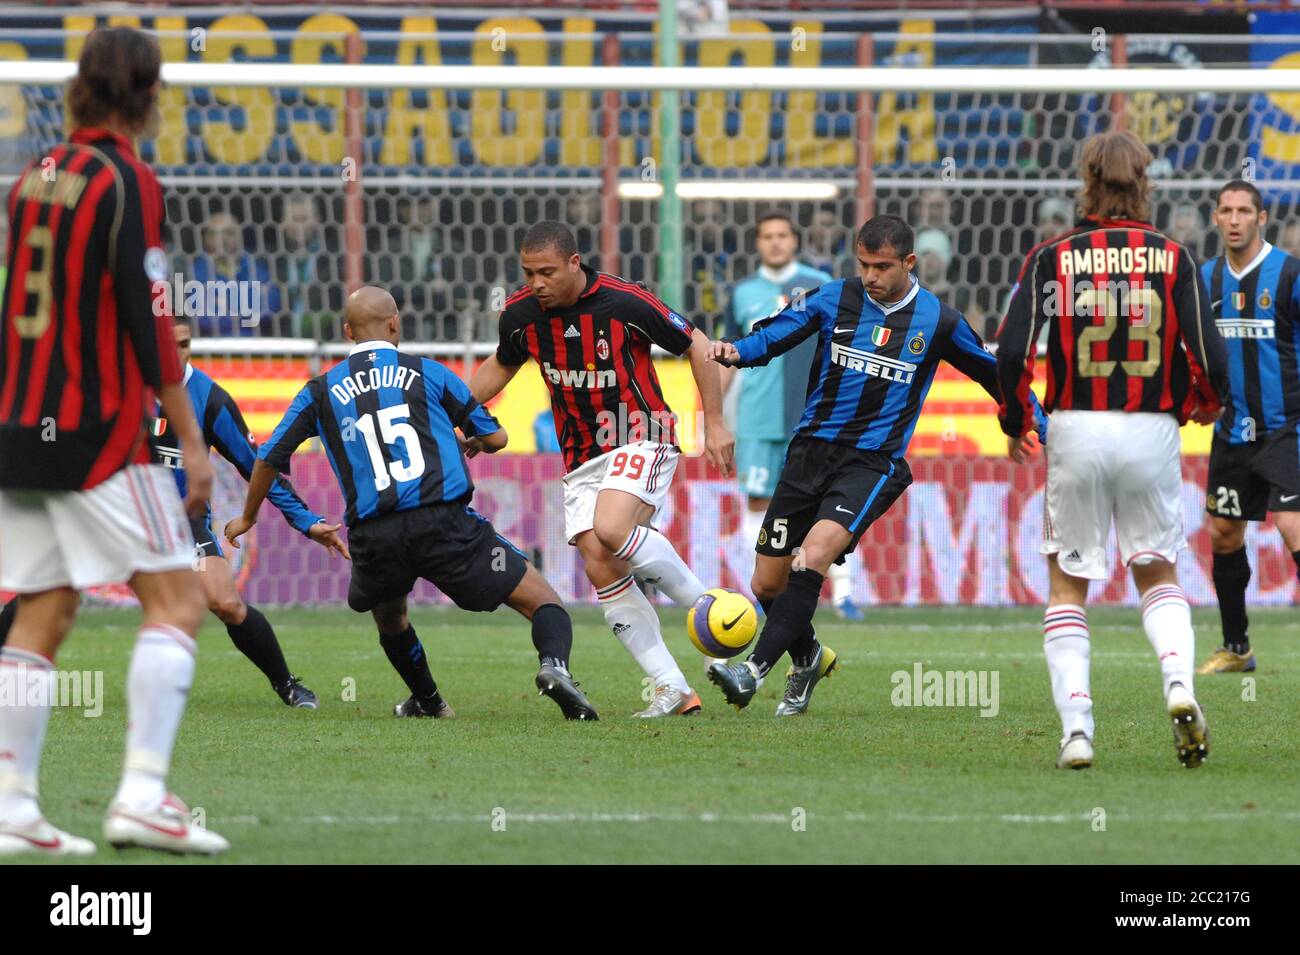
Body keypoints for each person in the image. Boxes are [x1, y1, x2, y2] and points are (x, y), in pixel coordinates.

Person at [0, 26, 227, 855]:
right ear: (146, 91)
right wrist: (192, 442)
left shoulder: (36, 177)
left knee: (45, 609)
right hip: (97, 432)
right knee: (179, 598)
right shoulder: (128, 179)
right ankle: (141, 795)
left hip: (22, 427)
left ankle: (14, 807)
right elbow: (152, 317)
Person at [706, 215, 1045, 716]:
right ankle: (808, 658)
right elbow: (776, 335)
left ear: (909, 263)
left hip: (871, 462)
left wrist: (1032, 421)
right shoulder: (830, 298)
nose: (870, 276)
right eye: (863, 264)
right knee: (766, 584)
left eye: (882, 266)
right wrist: (735, 352)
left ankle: (751, 670)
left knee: (813, 557)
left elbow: (994, 374)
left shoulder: (939, 320)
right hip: (807, 454)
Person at [226, 287, 598, 722]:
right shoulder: (430, 373)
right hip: (445, 526)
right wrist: (471, 438)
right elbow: (497, 438)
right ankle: (554, 666)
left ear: (347, 332)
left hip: (375, 537)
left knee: (390, 618)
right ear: (395, 323)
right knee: (542, 600)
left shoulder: (319, 391)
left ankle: (430, 701)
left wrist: (250, 516)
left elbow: (268, 458)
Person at [997, 130, 1229, 770]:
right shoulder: (1173, 256)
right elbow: (1209, 355)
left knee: (1069, 584)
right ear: (1145, 182)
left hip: (1075, 427)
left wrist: (1016, 418)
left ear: (1088, 180)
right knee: (1157, 571)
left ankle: (1078, 732)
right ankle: (1179, 685)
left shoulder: (1054, 256)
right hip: (1150, 429)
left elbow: (1012, 351)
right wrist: (1200, 406)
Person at [469, 221, 735, 717]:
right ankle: (673, 688)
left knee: (612, 529)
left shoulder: (625, 301)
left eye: (547, 272)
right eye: (528, 273)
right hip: (581, 455)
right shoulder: (522, 316)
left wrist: (714, 422)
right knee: (600, 560)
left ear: (574, 263)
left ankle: (717, 615)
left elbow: (697, 345)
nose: (536, 283)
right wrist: (463, 415)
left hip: (641, 431)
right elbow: (502, 365)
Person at [720, 212, 863, 620]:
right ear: (758, 243)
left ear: (794, 241)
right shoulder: (743, 292)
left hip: (815, 416)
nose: (776, 242)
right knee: (759, 502)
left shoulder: (819, 284)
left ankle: (843, 595)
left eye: (782, 235)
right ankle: (763, 592)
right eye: (767, 236)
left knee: (828, 506)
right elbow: (729, 351)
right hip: (759, 418)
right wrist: (710, 415)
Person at [1197, 179, 1300, 675]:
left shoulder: (1289, 276)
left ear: (1262, 219)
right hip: (1230, 431)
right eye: (1226, 211)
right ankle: (1237, 648)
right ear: (1215, 218)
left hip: (1287, 429)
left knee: (1292, 525)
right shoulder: (1206, 280)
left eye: (1244, 211)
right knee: (1223, 532)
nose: (1234, 220)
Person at [190, 210, 281, 337]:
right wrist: (249, 300)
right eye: (216, 234)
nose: (224, 239)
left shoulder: (256, 266)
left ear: (240, 236)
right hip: (213, 348)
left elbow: (271, 306)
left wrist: (222, 302)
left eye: (230, 233)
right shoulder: (196, 271)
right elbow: (204, 318)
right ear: (206, 239)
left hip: (255, 345)